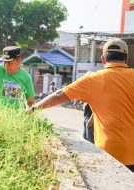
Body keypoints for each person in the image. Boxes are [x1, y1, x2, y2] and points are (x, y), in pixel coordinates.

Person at [27, 38, 134, 172]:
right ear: (126, 58)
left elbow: (59, 95)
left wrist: (32, 109)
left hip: (110, 153)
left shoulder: (93, 79)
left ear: (103, 59)